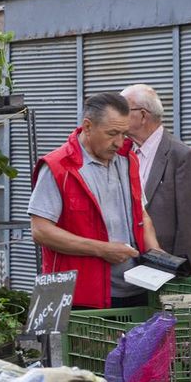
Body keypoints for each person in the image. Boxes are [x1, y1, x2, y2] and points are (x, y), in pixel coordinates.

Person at [29, 92, 164, 309]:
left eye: (124, 134)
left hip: (135, 288)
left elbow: (142, 214)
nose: (119, 143)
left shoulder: (128, 160)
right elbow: (41, 231)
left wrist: (156, 253)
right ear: (88, 126)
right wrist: (101, 249)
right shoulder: (57, 166)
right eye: (112, 134)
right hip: (77, 293)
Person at [120, 84, 191, 273]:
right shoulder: (121, 152)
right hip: (125, 268)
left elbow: (190, 226)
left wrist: (183, 275)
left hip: (161, 269)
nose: (115, 116)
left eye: (123, 110)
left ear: (143, 115)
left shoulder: (181, 155)